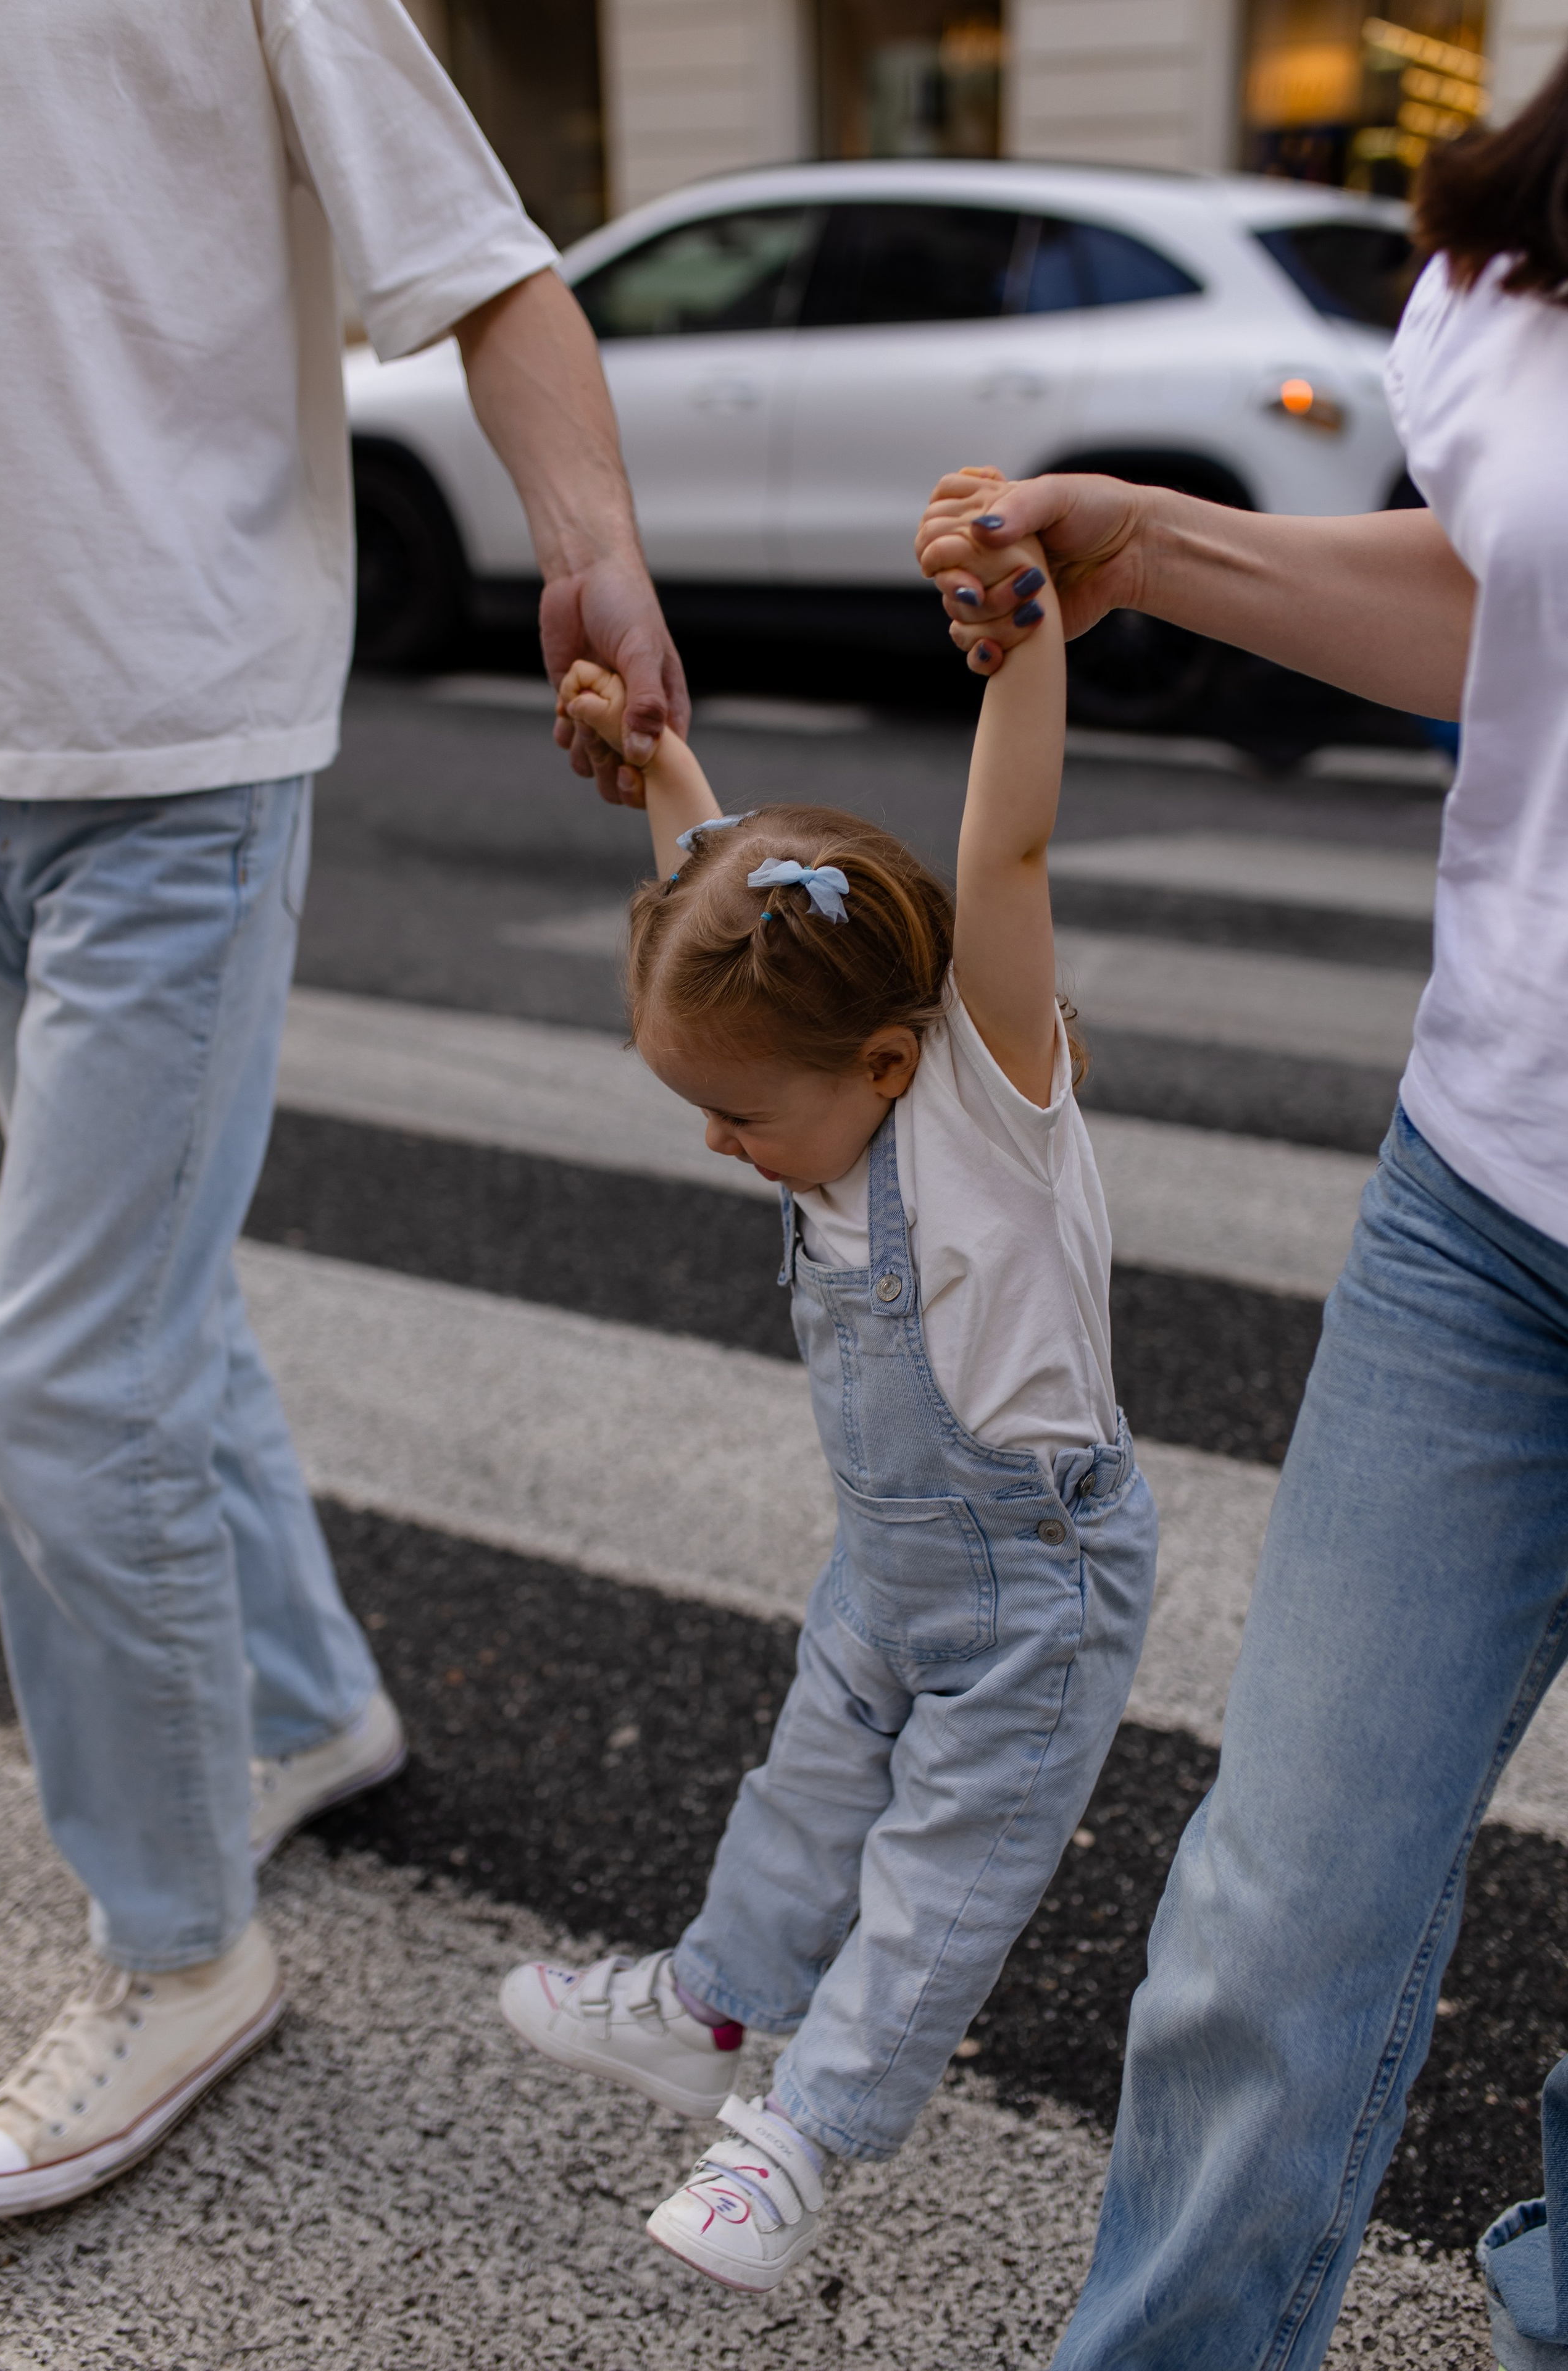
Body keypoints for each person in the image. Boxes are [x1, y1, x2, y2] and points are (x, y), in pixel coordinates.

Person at [0, 0, 684, 2219]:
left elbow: (485, 262)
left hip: (173, 735)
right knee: (127, 1298)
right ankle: (299, 1704)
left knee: (63, 1368)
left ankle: (181, 1949)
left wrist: (598, 549)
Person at [915, 53, 1568, 2370]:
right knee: (1267, 1927)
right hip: (1490, 1210)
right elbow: (1506, 612)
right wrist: (1163, 543)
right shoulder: (1518, 245)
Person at [497, 506, 1159, 2294]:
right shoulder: (819, 1077)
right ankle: (710, 2011)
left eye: (741, 1117)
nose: (724, 1148)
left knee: (937, 1877)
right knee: (805, 1793)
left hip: (1035, 1588)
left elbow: (1003, 853)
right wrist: (652, 754)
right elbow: (719, 866)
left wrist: (1021, 641)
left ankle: (795, 2140)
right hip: (895, 1559)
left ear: (884, 1062)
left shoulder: (980, 1108)